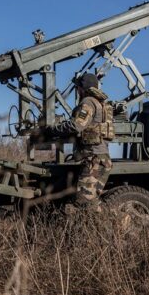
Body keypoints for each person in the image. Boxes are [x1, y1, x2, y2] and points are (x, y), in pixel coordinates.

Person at [46, 73, 114, 208]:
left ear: (82, 88)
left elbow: (76, 125)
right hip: (101, 158)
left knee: (84, 201)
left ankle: (114, 222)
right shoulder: (102, 104)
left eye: (78, 88)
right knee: (89, 201)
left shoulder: (88, 102)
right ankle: (110, 224)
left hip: (93, 159)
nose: (77, 91)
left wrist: (52, 130)